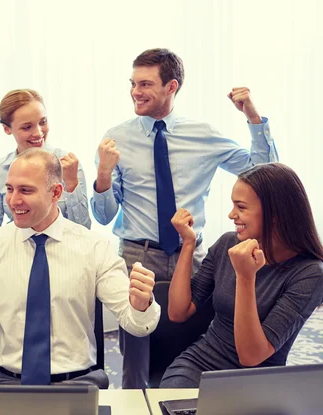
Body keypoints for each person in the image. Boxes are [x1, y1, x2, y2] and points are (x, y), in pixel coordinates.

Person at [90, 48, 279, 388]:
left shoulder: (202, 134)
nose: (136, 92)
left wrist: (252, 116)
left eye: (145, 84)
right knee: (136, 351)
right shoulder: (116, 138)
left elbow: (264, 171)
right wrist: (103, 175)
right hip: (137, 256)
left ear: (171, 86)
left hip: (192, 257)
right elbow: (103, 216)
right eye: (132, 84)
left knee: (193, 341)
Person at [0, 148, 160, 389]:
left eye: (26, 190)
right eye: (10, 189)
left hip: (77, 382)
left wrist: (141, 305)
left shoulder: (93, 247)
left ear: (56, 192)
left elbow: (138, 326)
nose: (14, 201)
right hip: (5, 383)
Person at [160, 163, 323, 388]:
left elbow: (251, 356)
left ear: (275, 214)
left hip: (258, 382)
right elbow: (178, 312)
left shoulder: (309, 274)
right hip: (200, 365)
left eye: (241, 207)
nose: (231, 214)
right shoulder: (228, 244)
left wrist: (245, 277)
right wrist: (188, 243)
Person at [0, 89, 91, 239]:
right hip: (18, 255)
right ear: (7, 129)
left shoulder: (68, 165)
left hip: (65, 255)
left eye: (43, 122)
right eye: (27, 127)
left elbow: (84, 231)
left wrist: (72, 185)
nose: (38, 133)